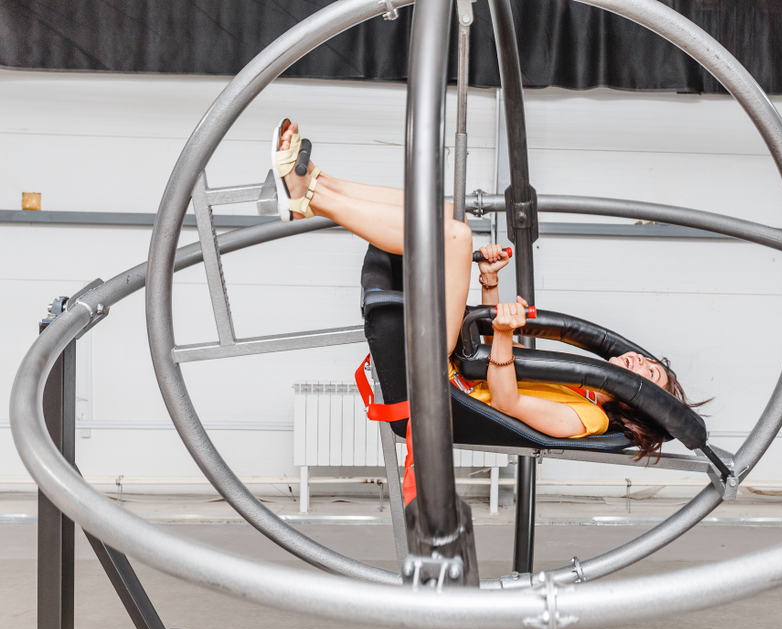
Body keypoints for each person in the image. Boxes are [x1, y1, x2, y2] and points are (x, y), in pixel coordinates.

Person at [273, 120, 703, 461]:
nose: (639, 361)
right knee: (445, 213)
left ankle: (308, 198)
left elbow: (505, 399)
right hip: (454, 362)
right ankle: (317, 183)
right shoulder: (584, 387)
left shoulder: (586, 417)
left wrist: (501, 335)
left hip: (441, 385)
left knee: (456, 237)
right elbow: (487, 354)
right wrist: (490, 283)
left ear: (640, 402)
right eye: (649, 362)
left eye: (647, 374)